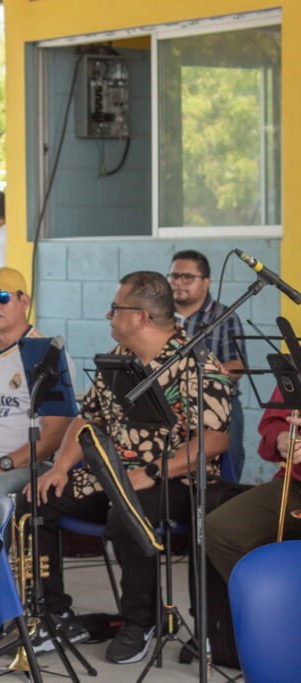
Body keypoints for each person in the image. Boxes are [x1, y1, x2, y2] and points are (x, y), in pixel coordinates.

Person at [22, 271, 232, 664]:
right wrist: (60, 467)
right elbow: (88, 418)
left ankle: (142, 620)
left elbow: (215, 440)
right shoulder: (119, 359)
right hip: (114, 477)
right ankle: (52, 613)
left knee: (126, 515)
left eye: (115, 308)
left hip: (176, 482)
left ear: (141, 317)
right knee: (37, 497)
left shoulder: (198, 364)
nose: (108, 315)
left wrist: (150, 473)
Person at [0, 266, 72, 496]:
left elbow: (55, 434)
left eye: (2, 297)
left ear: (24, 302)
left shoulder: (45, 354)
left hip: (25, 465)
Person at [207, 386, 301, 582]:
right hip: (296, 484)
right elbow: (275, 421)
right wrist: (282, 438)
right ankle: (269, 599)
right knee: (221, 529)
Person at [168, 250, 247, 478]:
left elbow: (237, 365)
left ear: (206, 282)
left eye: (187, 277)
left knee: (227, 472)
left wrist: (193, 376)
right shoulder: (160, 316)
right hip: (171, 405)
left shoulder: (225, 316)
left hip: (219, 405)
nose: (178, 283)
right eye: (174, 276)